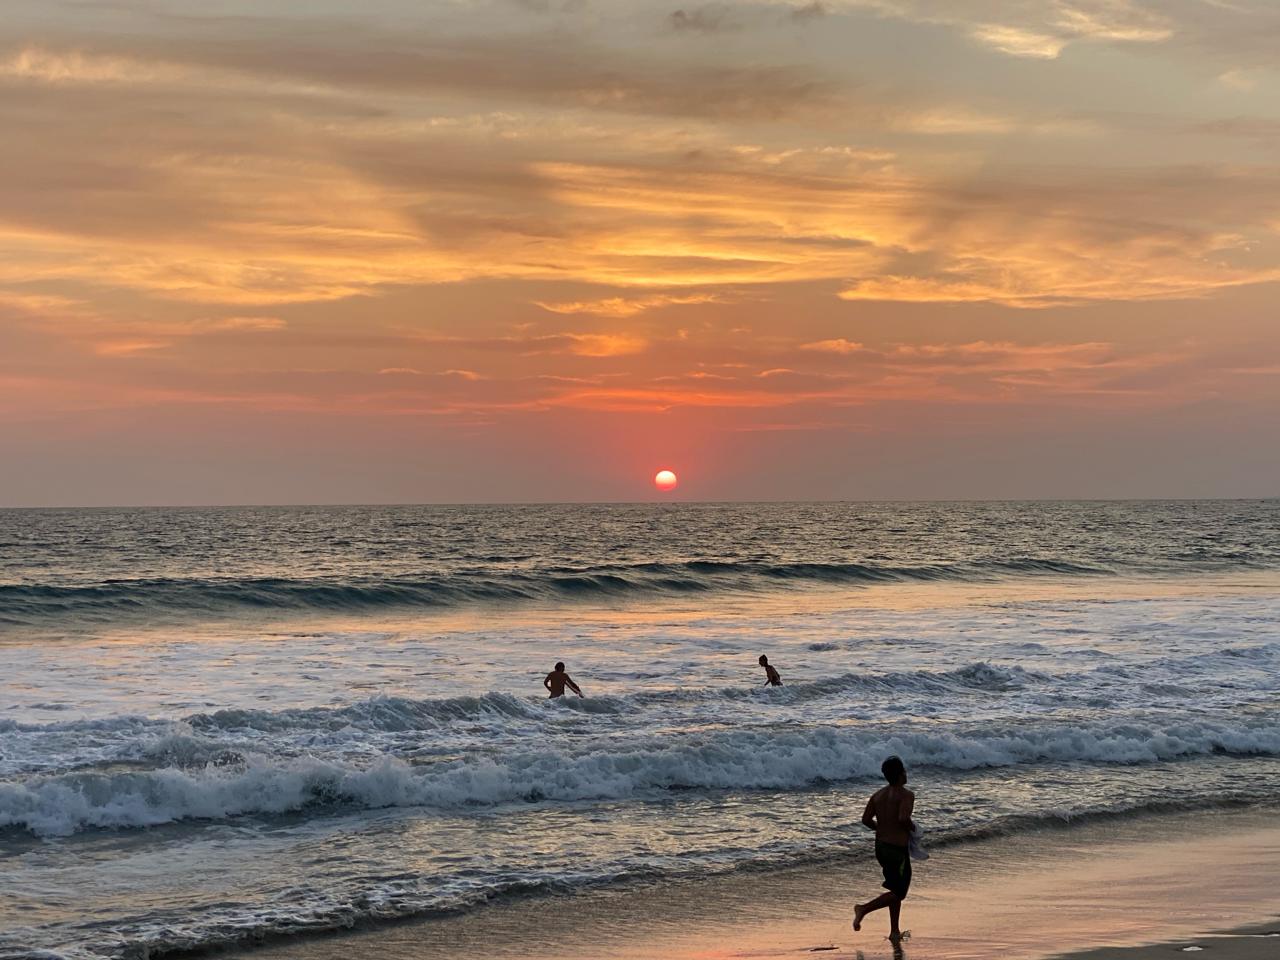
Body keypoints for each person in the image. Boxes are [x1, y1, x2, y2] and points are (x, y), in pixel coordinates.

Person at [852, 755, 915, 942]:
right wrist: (914, 829)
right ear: (901, 774)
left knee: (894, 887)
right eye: (904, 770)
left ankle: (895, 931)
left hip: (881, 847)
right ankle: (863, 909)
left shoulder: (878, 795)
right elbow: (903, 819)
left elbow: (865, 820)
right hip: (897, 850)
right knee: (899, 892)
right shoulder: (906, 795)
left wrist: (881, 828)